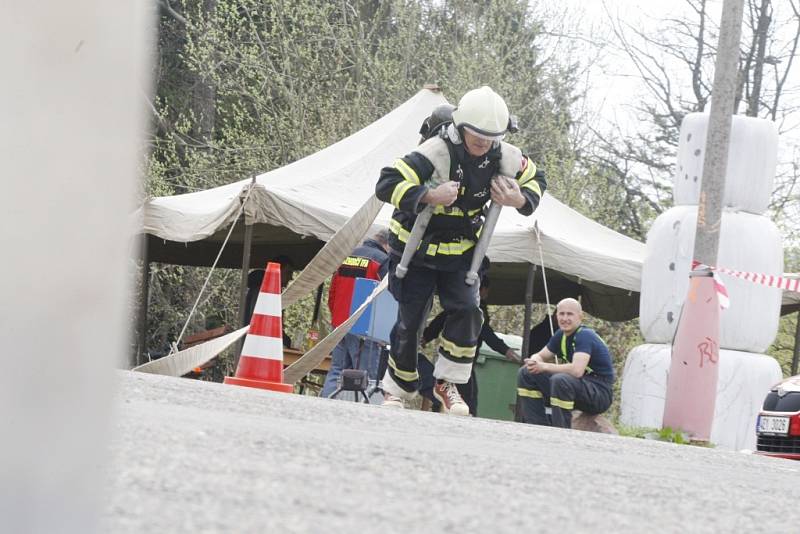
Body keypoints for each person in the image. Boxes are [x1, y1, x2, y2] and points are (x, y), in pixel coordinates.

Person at [375, 85, 546, 415]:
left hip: (461, 251)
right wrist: (429, 196)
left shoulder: (506, 156)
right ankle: (395, 389)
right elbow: (386, 182)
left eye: (491, 138)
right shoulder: (435, 152)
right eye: (477, 137)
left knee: (469, 311)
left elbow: (538, 178)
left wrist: (519, 199)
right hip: (417, 249)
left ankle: (448, 383)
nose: (483, 145)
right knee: (411, 322)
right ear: (461, 127)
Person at [420, 263, 519, 415]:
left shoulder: (458, 307)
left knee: (450, 394)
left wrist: (426, 336)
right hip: (465, 364)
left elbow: (441, 320)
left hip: (450, 360)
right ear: (482, 290)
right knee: (468, 404)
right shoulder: (474, 310)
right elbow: (487, 334)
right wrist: (507, 351)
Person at [516, 298, 615, 428]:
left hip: (599, 393)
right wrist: (533, 361)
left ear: (580, 317)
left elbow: (577, 370)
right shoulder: (560, 335)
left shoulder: (585, 335)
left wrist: (544, 366)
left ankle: (561, 432)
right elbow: (541, 355)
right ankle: (536, 427)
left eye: (569, 314)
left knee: (561, 380)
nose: (565, 318)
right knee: (525, 372)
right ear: (556, 316)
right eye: (561, 314)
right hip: (576, 388)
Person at [320, 230, 391, 401]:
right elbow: (387, 295)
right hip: (364, 327)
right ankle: (360, 412)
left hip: (339, 324)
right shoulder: (382, 260)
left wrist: (336, 318)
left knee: (337, 370)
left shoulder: (346, 256)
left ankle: (325, 403)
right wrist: (383, 331)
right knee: (363, 376)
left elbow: (333, 292)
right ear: (387, 245)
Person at [244, 255, 295, 348]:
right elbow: (259, 321)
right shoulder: (262, 290)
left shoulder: (271, 291)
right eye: (288, 273)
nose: (290, 278)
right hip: (256, 347)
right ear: (277, 271)